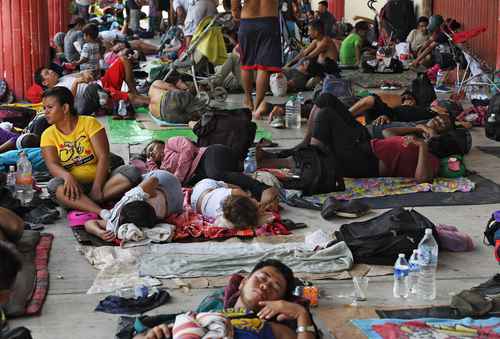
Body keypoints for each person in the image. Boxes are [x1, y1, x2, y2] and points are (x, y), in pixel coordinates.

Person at [258, 93, 440, 182]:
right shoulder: (415, 136)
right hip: (365, 140)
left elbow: (423, 180)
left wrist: (423, 146)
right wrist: (413, 130)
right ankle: (302, 148)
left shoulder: (430, 158)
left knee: (326, 116)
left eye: (441, 124)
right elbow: (386, 134)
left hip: (367, 161)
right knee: (326, 99)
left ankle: (306, 162)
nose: (437, 123)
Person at [134, 260, 317, 339]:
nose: (264, 286)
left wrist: (301, 314)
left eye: (275, 287)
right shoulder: (206, 314)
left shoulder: (269, 328)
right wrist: (150, 335)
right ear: (243, 283)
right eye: (261, 278)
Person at [40, 87, 141, 217]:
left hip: (103, 181)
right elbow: (52, 164)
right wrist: (67, 176)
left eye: (49, 107)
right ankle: (101, 211)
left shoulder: (89, 123)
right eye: (44, 108)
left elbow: (103, 156)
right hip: (75, 187)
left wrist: (97, 187)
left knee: (131, 171)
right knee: (54, 185)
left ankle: (83, 203)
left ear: (65, 108)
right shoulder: (47, 135)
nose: (45, 112)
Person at [144, 137, 279, 204]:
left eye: (152, 149)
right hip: (203, 172)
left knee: (215, 174)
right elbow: (156, 177)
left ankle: (262, 188)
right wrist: (150, 162)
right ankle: (251, 196)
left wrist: (179, 176)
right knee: (214, 183)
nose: (152, 153)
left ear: (159, 143)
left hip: (210, 154)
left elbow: (188, 149)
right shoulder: (162, 167)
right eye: (149, 154)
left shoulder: (170, 143)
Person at [85, 170, 183, 241]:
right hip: (171, 189)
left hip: (172, 189)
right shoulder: (118, 215)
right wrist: (99, 232)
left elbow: (89, 223)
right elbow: (89, 224)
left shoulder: (133, 199)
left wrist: (99, 232)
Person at [232, 0, 281, 115]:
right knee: (263, 67)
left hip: (248, 21)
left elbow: (235, 8)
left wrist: (237, 13)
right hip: (269, 21)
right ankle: (258, 105)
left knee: (246, 64)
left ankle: (248, 100)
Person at [191, 178, 275, 229]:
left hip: (202, 188)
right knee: (236, 188)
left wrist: (257, 206)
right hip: (197, 199)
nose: (257, 201)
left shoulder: (236, 192)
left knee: (232, 187)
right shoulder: (225, 218)